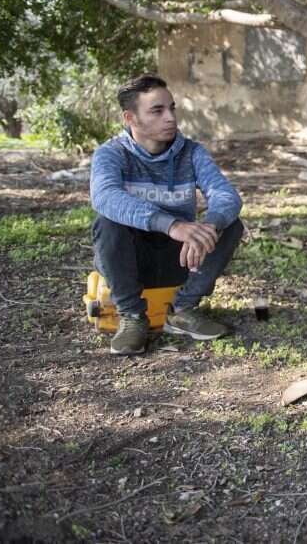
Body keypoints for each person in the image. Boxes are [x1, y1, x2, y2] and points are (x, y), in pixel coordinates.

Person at [90, 74, 243, 356]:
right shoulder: (111, 154)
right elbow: (105, 196)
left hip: (182, 258)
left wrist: (208, 226)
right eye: (157, 111)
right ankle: (133, 317)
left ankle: (183, 310)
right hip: (128, 261)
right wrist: (172, 225)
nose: (170, 118)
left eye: (172, 108)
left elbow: (226, 195)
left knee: (230, 223)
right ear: (130, 117)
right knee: (108, 221)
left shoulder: (192, 152)